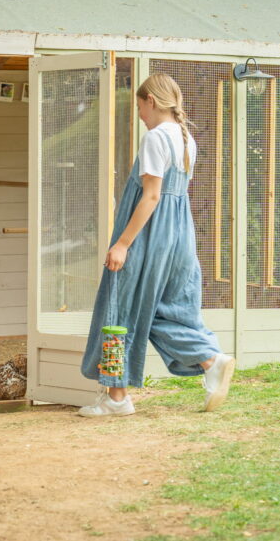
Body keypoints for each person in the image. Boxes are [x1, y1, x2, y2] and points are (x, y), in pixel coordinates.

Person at [78, 74, 235, 417]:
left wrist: (122, 243)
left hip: (149, 234)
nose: (138, 114)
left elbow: (150, 197)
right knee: (164, 308)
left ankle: (117, 398)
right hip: (179, 233)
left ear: (151, 100)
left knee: (119, 307)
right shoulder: (185, 138)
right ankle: (210, 360)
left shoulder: (155, 138)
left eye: (138, 106)